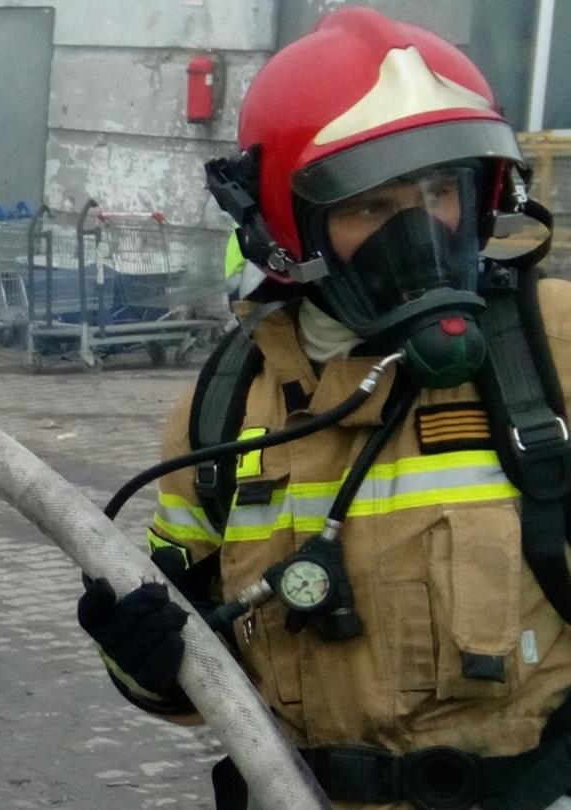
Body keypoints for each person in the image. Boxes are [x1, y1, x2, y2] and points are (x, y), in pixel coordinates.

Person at [80, 8, 571, 809]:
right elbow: (192, 678)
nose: (420, 232)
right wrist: (141, 659)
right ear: (286, 230)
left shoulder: (550, 351)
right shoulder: (220, 410)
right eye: (369, 207)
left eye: (439, 191)